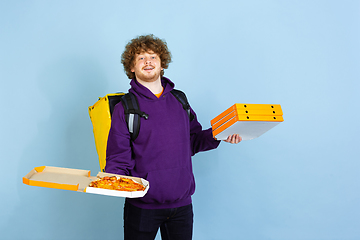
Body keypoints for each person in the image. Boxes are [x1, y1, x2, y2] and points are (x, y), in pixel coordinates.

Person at [105, 34, 241, 240]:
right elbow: (118, 157)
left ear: (162, 65)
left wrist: (220, 134)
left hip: (182, 206)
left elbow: (193, 141)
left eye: (153, 57)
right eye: (141, 58)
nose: (148, 61)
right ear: (132, 67)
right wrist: (111, 181)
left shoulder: (180, 100)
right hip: (143, 207)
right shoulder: (125, 108)